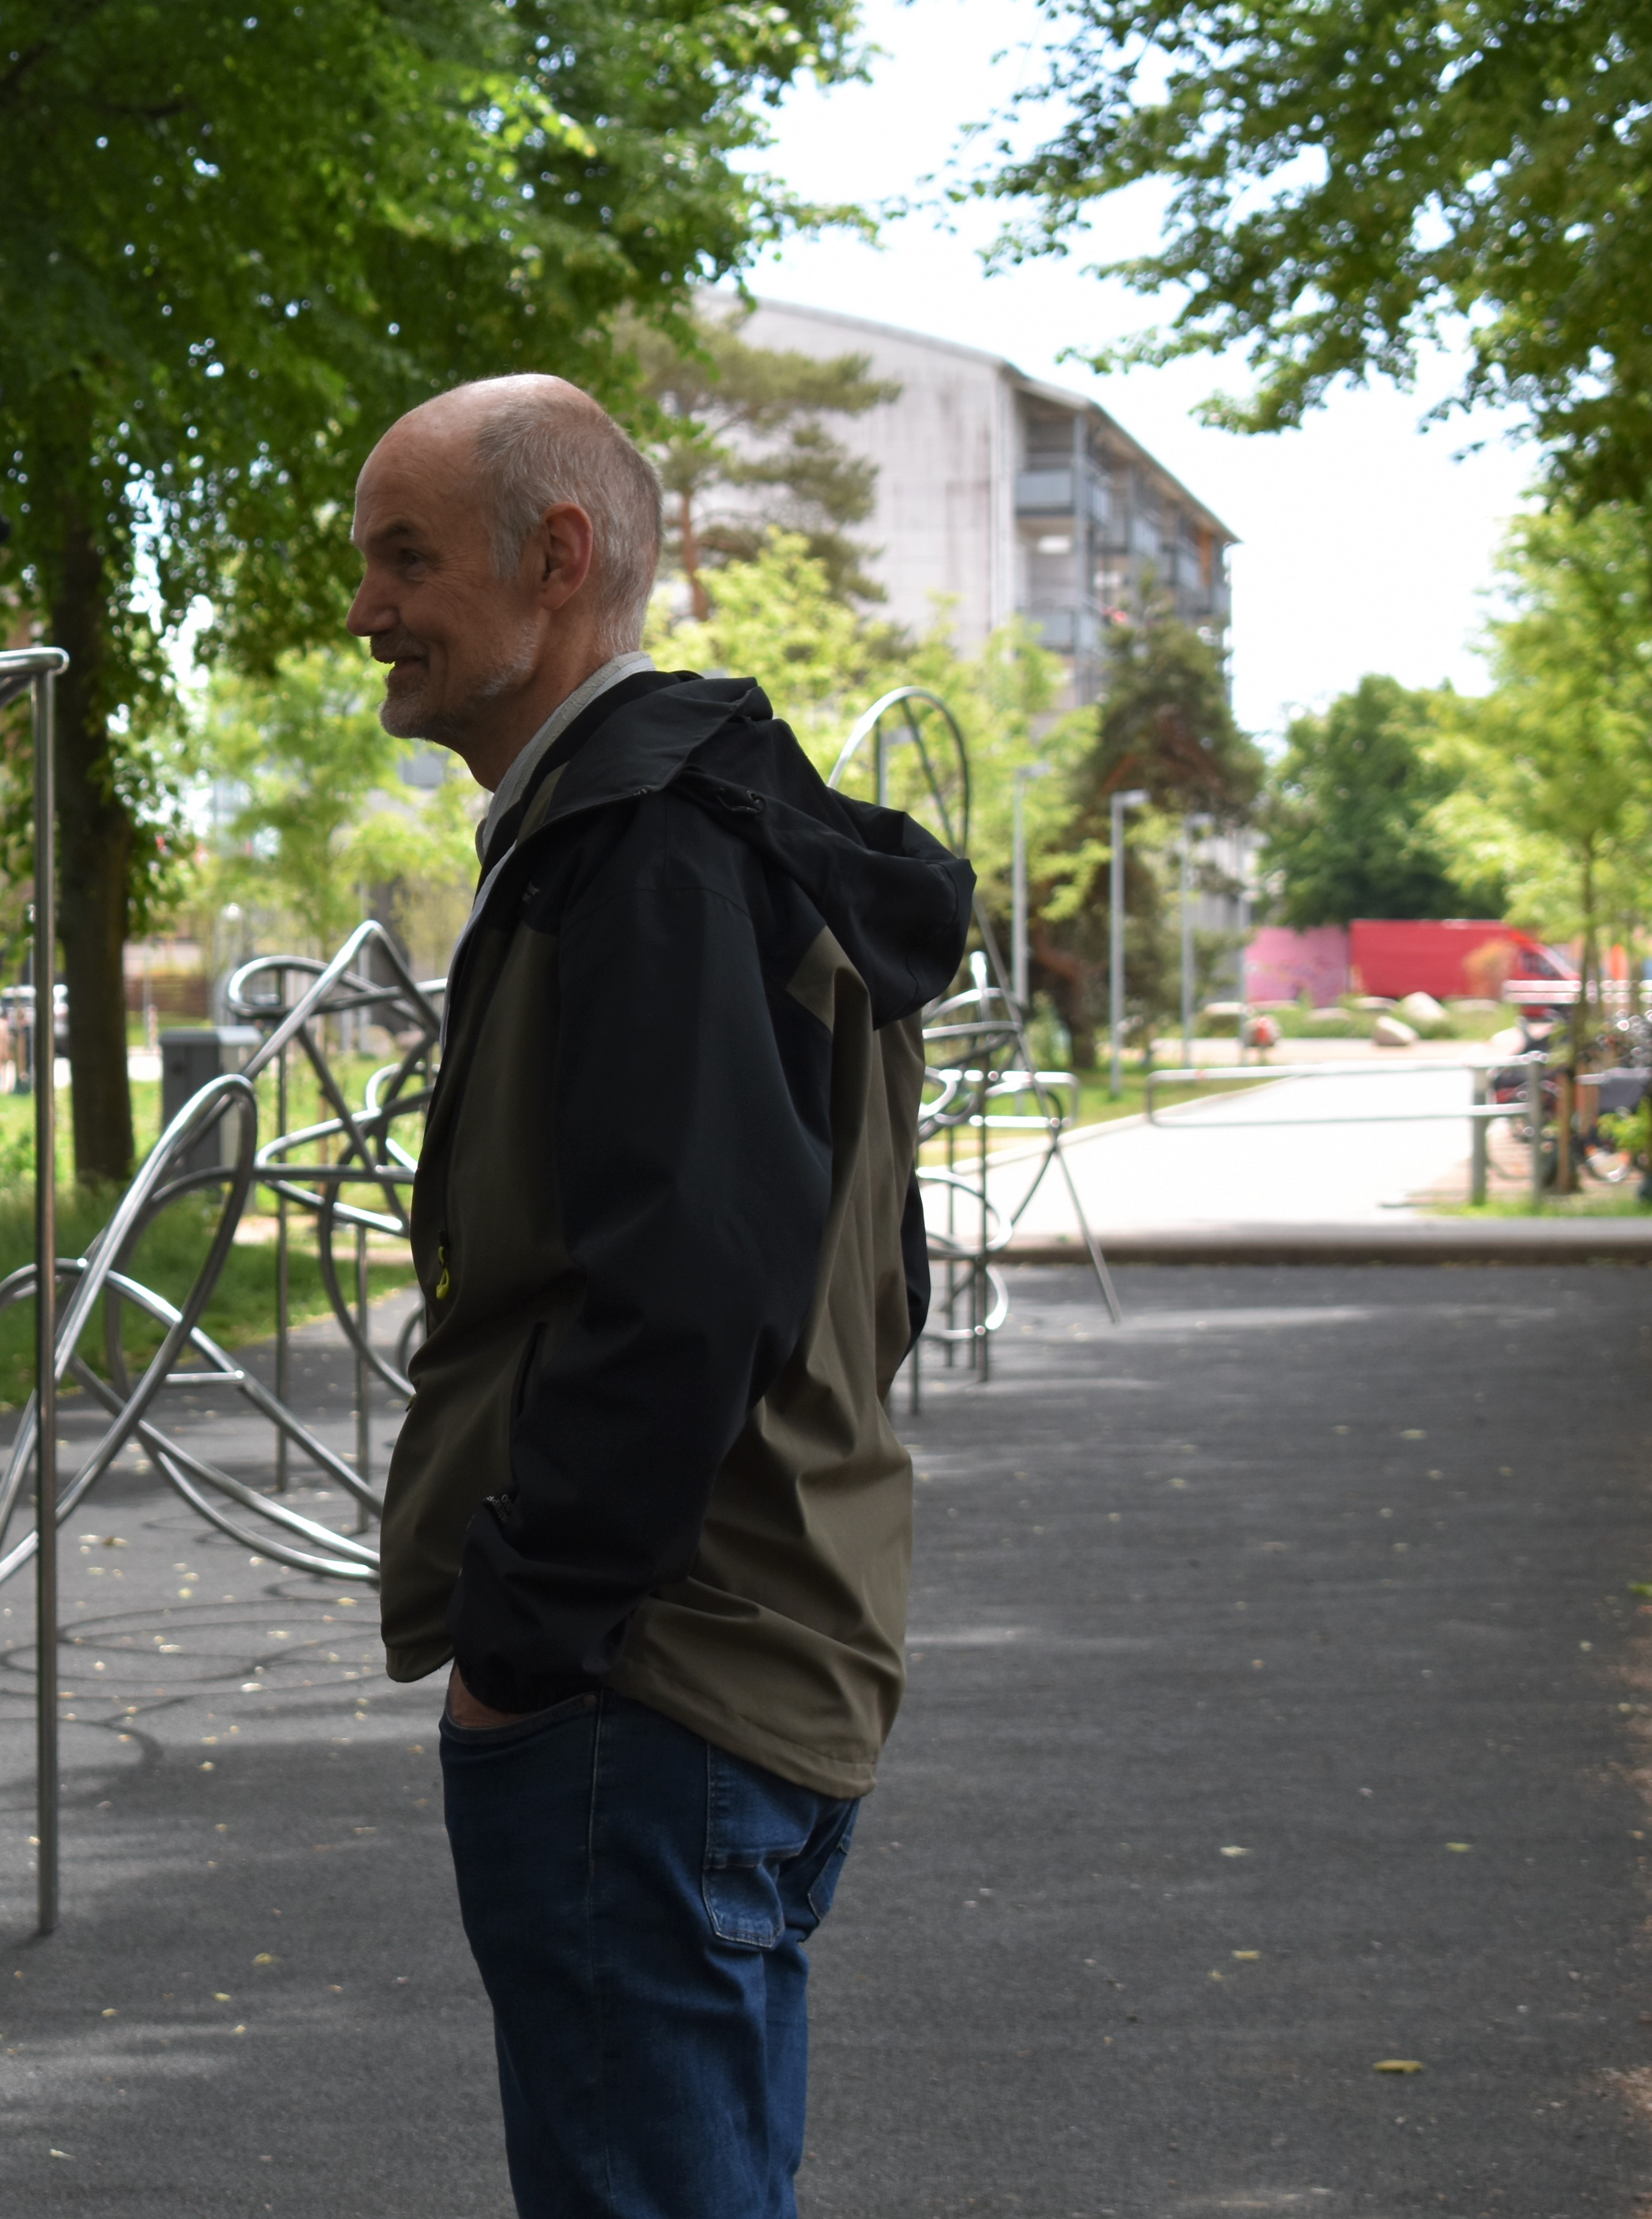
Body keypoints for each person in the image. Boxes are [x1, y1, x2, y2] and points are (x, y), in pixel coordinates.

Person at [348, 377, 972, 2215]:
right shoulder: (710, 839)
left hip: (650, 1686)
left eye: (405, 557)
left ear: (558, 561)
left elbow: (687, 1287)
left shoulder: (649, 857)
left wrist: (524, 1652)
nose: (367, 608)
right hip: (756, 1652)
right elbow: (872, 1273)